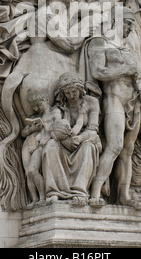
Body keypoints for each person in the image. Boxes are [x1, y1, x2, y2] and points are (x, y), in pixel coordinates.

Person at [86, 7, 141, 209]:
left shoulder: (128, 49)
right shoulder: (99, 42)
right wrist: (124, 70)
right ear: (116, 21)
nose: (130, 29)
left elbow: (134, 72)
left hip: (133, 102)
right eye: (128, 23)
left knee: (128, 151)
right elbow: (97, 71)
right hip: (113, 99)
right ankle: (94, 191)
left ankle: (124, 195)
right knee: (115, 146)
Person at [42, 72, 102, 206]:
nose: (71, 96)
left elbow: (93, 129)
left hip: (85, 139)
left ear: (80, 90)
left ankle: (80, 191)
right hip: (65, 143)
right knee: (51, 145)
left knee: (88, 147)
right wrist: (64, 140)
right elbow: (55, 129)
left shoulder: (92, 102)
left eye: (74, 91)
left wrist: (79, 138)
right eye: (67, 93)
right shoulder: (61, 107)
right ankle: (55, 192)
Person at [21, 88, 61, 207]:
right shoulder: (35, 116)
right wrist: (32, 128)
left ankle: (43, 197)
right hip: (31, 142)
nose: (37, 108)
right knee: (28, 173)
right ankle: (34, 199)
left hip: (42, 144)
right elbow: (23, 133)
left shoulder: (55, 112)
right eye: (34, 106)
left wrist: (46, 132)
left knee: (33, 170)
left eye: (39, 105)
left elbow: (57, 128)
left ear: (47, 100)